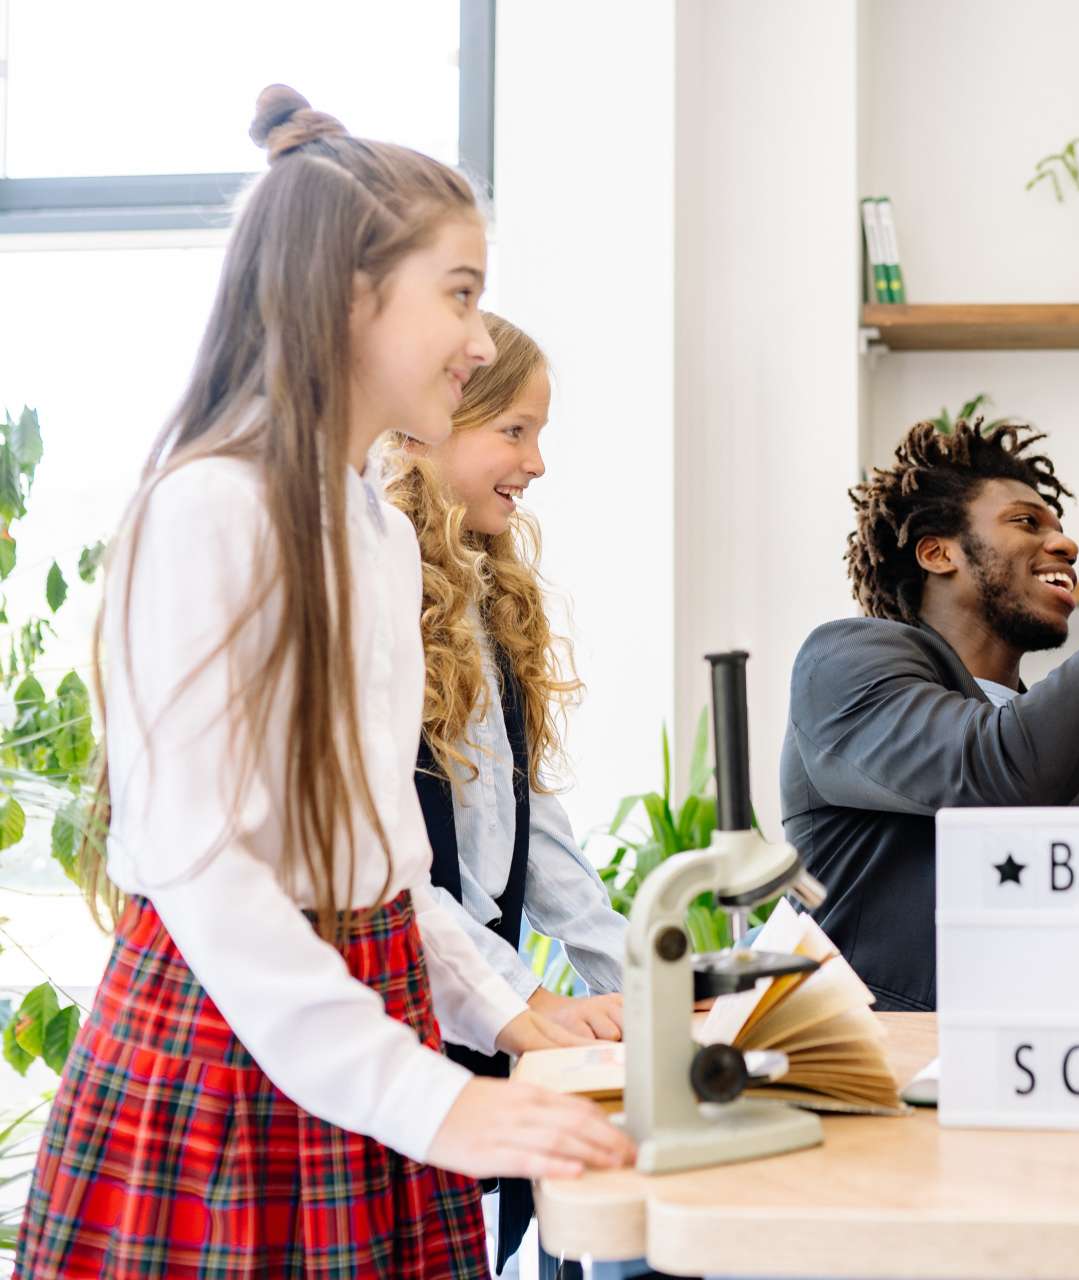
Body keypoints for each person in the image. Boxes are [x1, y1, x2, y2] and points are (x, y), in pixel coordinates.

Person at [17, 86, 632, 1280]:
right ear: (353, 296)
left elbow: (386, 859)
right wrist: (436, 1101)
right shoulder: (210, 510)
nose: (477, 337)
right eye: (459, 293)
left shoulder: (379, 529)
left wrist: (500, 1012)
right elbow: (214, 883)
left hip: (367, 1022)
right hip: (236, 1047)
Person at [781, 318, 1079, 1011]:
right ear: (938, 552)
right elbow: (996, 771)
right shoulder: (847, 661)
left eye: (1060, 524)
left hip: (1049, 1075)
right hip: (888, 1070)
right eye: (1027, 522)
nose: (1065, 541)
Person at [385, 309, 629, 1272]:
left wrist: (624, 978)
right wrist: (526, 995)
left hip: (487, 987)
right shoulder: (382, 595)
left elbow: (536, 822)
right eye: (515, 432)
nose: (535, 464)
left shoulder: (488, 593)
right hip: (420, 994)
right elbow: (400, 862)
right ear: (434, 421)